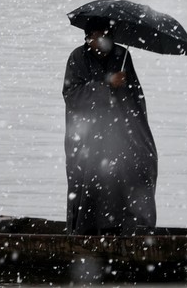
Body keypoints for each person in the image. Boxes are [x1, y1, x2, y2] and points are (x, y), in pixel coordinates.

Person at [63, 20, 158, 235]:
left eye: (107, 35)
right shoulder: (78, 58)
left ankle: (125, 230)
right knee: (89, 182)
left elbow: (134, 98)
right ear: (89, 38)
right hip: (87, 136)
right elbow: (72, 95)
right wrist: (106, 85)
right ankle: (86, 234)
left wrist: (121, 95)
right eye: (98, 36)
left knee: (128, 174)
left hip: (118, 132)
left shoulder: (122, 56)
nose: (103, 40)